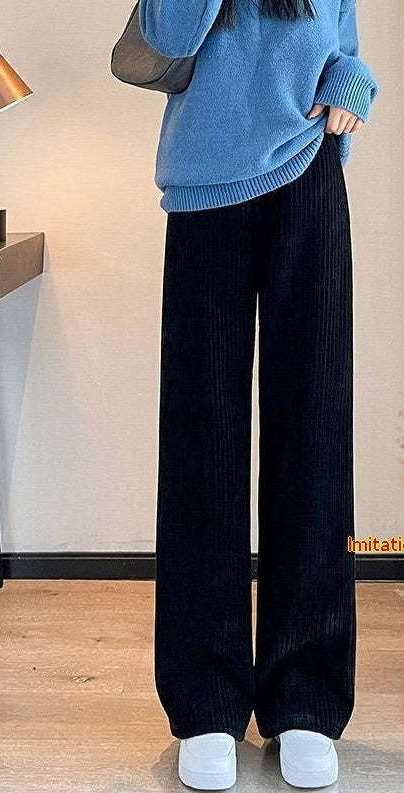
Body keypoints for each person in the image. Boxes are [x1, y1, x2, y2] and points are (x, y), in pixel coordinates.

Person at [137, 0, 379, 789]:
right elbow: (169, 35)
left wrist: (351, 80)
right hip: (206, 189)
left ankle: (305, 698)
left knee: (315, 429)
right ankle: (206, 704)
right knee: (201, 439)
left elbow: (341, 37)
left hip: (309, 170)